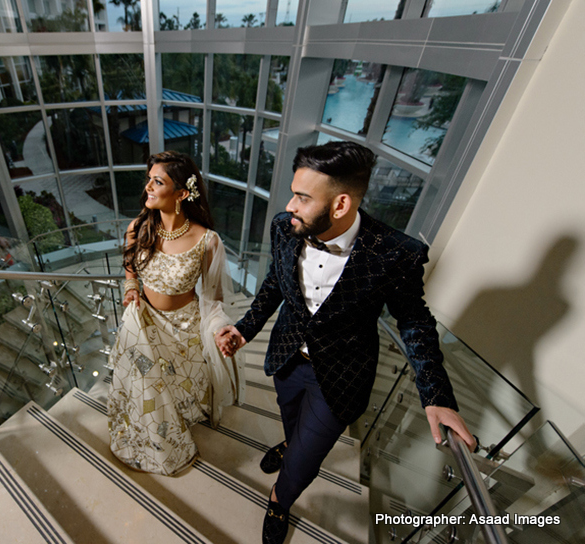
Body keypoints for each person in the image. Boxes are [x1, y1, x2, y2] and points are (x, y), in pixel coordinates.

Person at [214, 141, 475, 544]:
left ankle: (279, 502)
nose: (290, 206)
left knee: (303, 462)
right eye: (293, 192)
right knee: (293, 426)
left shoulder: (395, 254)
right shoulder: (286, 228)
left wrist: (435, 394)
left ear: (339, 205)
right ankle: (288, 444)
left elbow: (414, 321)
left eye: (302, 197)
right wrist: (245, 328)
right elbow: (273, 284)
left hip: (340, 378)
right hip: (287, 360)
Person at [107, 151, 243, 476]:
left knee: (177, 389)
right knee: (148, 393)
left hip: (184, 330)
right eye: (149, 179)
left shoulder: (207, 241)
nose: (148, 188)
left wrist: (220, 328)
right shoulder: (138, 227)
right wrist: (131, 288)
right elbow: (129, 269)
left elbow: (214, 298)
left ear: (182, 193)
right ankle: (156, 445)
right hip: (143, 323)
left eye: (158, 181)